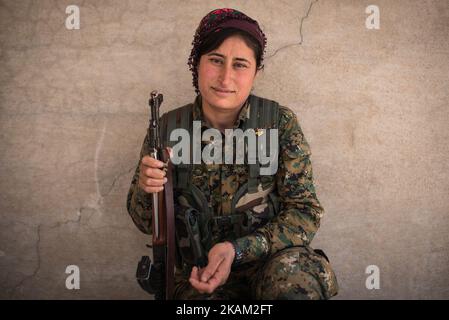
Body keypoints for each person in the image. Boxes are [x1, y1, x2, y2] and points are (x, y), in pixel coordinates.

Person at [127, 8, 338, 300]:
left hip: (267, 267)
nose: (225, 77)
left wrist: (238, 250)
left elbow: (305, 213)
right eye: (215, 60)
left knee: (296, 277)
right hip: (195, 275)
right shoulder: (168, 129)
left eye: (240, 64)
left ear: (256, 72)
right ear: (196, 64)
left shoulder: (278, 124)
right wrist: (146, 188)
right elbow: (145, 222)